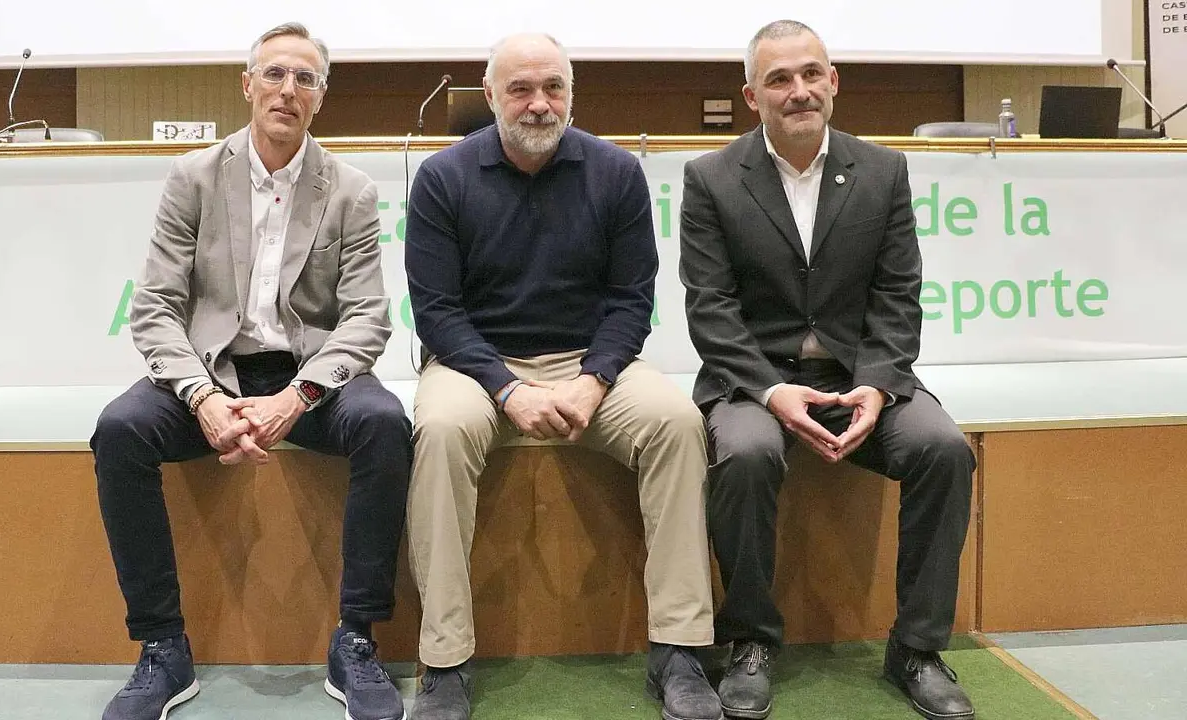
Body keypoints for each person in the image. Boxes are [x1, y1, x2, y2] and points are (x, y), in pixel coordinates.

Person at [90, 22, 411, 720]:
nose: (287, 90)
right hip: (211, 370)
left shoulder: (350, 189)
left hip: (308, 376)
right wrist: (203, 398)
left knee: (386, 425)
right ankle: (161, 648)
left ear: (320, 97)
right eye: (274, 74)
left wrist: (295, 399)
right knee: (119, 432)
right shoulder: (194, 177)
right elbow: (156, 310)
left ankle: (356, 640)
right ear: (247, 85)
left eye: (304, 79)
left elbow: (365, 319)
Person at [403, 32, 722, 720]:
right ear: (491, 97)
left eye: (553, 88)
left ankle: (680, 649)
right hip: (475, 362)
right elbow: (436, 311)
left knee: (678, 423)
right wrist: (507, 389)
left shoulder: (615, 173)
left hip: (589, 363)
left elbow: (632, 299)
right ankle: (445, 659)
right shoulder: (442, 178)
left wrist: (593, 380)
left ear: (572, 96)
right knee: (440, 430)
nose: (539, 104)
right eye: (520, 89)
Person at [678, 19, 976, 720]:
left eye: (812, 73)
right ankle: (751, 641)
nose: (799, 90)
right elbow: (711, 311)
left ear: (834, 82)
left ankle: (918, 649)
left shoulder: (883, 170)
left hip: (863, 378)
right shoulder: (711, 179)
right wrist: (774, 391)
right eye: (779, 78)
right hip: (757, 380)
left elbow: (899, 296)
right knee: (746, 453)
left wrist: (875, 384)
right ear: (752, 96)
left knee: (943, 449)